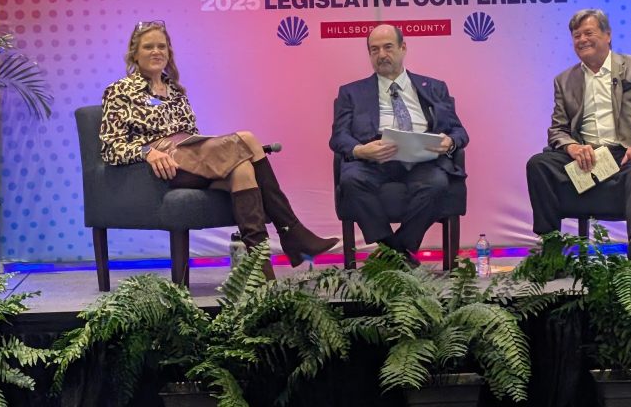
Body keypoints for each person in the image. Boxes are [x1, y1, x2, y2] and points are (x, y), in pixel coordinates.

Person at [100, 20, 338, 280]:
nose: (156, 52)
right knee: (247, 139)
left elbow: (192, 134)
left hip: (190, 154)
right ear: (135, 53)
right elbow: (110, 146)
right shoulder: (119, 91)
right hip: (164, 165)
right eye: (148, 47)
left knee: (244, 170)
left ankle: (263, 273)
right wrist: (147, 152)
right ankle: (292, 231)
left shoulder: (176, 91)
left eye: (161, 46)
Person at [526, 9, 631, 270]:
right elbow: (557, 129)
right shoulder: (564, 80)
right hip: (589, 157)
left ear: (607, 35)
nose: (582, 39)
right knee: (538, 164)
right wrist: (571, 147)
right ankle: (551, 247)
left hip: (627, 152)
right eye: (576, 35)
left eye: (589, 33)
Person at [329, 24, 468, 264]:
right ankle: (398, 252)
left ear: (403, 48)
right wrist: (361, 150)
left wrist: (450, 142)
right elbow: (339, 137)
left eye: (388, 47)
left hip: (422, 160)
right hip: (374, 160)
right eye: (374, 50)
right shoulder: (351, 92)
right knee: (350, 179)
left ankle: (393, 254)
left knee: (437, 183)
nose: (381, 54)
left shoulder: (434, 88)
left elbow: (459, 131)